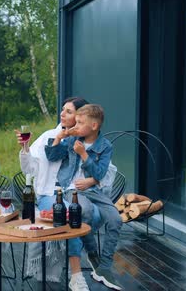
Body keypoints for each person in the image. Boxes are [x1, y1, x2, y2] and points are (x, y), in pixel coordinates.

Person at [16, 97, 116, 289]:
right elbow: (29, 168)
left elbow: (108, 172)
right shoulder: (49, 136)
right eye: (63, 110)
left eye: (69, 112)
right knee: (72, 215)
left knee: (93, 214)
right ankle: (76, 274)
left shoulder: (88, 141)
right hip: (50, 194)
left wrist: (93, 180)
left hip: (78, 194)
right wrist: (25, 147)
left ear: (81, 117)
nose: (62, 114)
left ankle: (81, 250)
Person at [46, 104, 123, 290]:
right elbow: (52, 155)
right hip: (71, 190)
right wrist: (59, 137)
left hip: (95, 192)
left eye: (80, 122)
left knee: (116, 219)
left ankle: (104, 267)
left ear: (94, 126)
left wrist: (84, 155)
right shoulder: (72, 139)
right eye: (77, 122)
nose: (76, 125)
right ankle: (92, 252)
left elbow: (100, 173)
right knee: (84, 211)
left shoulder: (105, 146)